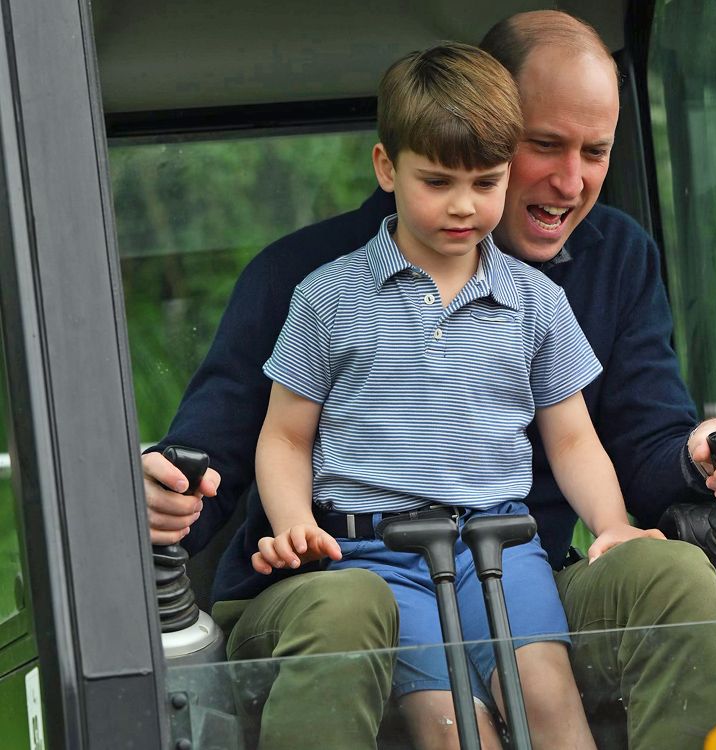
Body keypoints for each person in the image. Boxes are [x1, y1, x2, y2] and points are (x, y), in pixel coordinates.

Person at [143, 10, 716, 750]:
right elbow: (225, 451)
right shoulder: (312, 284)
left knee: (670, 578)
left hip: (517, 564)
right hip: (353, 572)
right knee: (365, 626)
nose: (571, 181)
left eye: (596, 152)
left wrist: (697, 459)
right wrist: (173, 495)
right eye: (546, 145)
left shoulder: (605, 265)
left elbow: (625, 442)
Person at [252, 42, 664, 749]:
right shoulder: (326, 297)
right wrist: (294, 523)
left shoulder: (535, 301)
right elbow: (286, 436)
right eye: (438, 181)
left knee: (550, 707)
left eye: (486, 182)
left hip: (502, 544)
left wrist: (612, 525)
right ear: (387, 168)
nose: (464, 206)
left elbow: (571, 439)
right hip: (377, 555)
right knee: (450, 729)